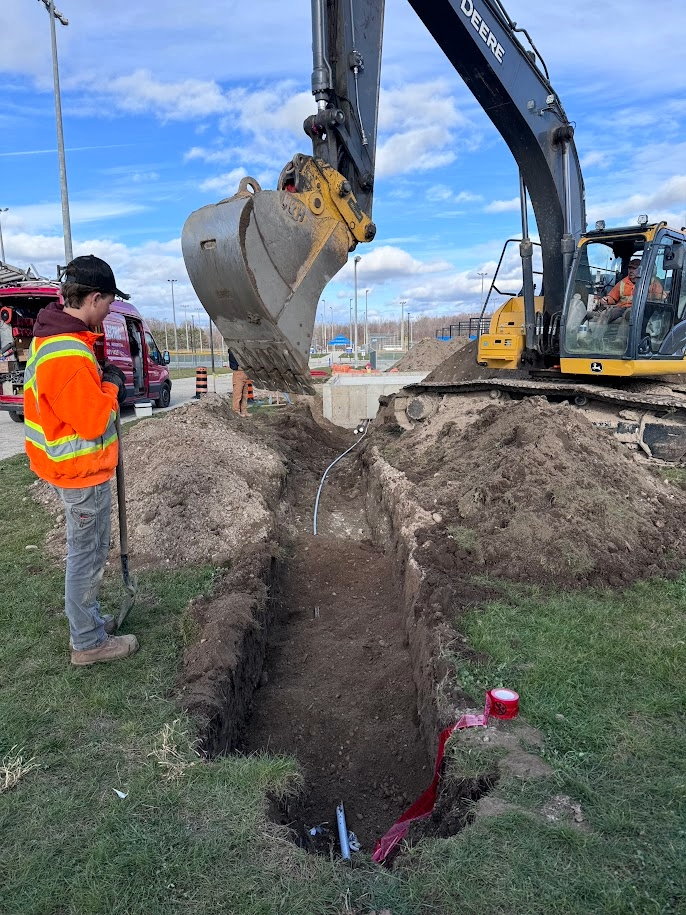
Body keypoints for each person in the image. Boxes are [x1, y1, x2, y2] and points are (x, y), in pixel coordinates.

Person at [23, 255, 139, 666]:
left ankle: (89, 622)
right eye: (108, 302)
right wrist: (111, 385)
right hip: (79, 475)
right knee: (86, 557)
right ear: (92, 298)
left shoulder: (56, 338)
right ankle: (88, 643)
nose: (109, 311)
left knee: (87, 553)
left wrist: (101, 377)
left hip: (74, 472)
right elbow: (92, 421)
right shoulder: (68, 354)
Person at [228, 350, 250, 417]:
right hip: (238, 373)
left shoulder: (244, 351)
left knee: (245, 395)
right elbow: (233, 366)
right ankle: (236, 411)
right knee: (237, 394)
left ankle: (244, 411)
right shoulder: (232, 351)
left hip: (246, 374)